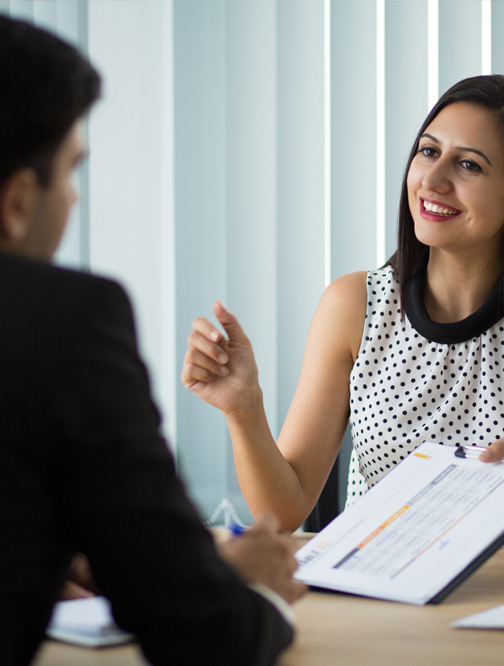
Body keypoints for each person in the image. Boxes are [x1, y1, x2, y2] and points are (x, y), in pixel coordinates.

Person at [0, 15, 305, 666]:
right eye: (70, 173)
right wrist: (245, 585)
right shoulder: (64, 320)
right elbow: (199, 628)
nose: (74, 201)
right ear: (18, 202)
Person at [182, 74, 504, 533]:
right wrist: (243, 408)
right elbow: (283, 512)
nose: (432, 180)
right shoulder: (356, 305)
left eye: (468, 165)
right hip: (374, 572)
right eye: (428, 151)